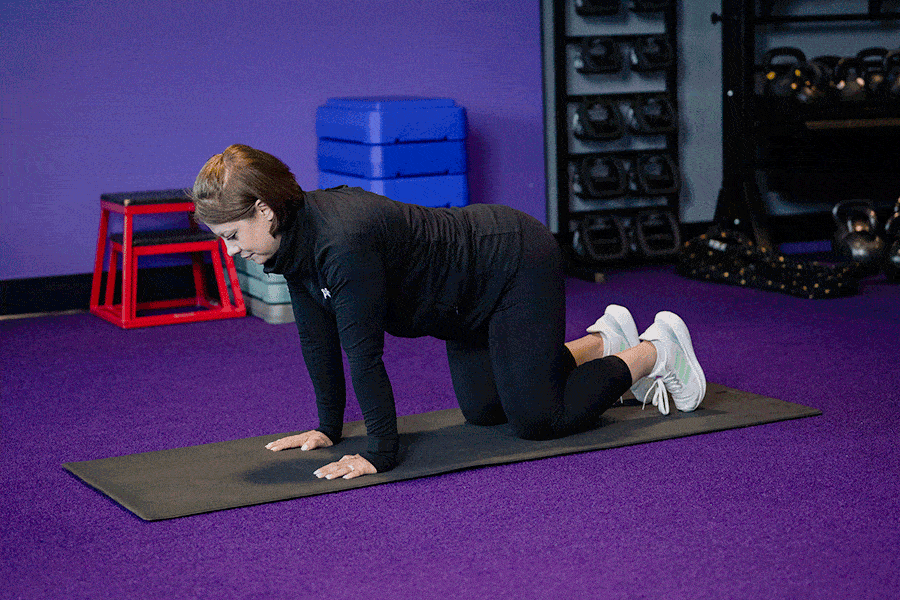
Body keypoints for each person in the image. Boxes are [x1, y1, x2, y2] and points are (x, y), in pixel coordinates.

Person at [190, 144, 706, 481]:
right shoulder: (290, 244)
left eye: (233, 236)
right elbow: (317, 340)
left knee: (538, 418)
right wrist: (327, 427)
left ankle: (655, 351)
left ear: (265, 210)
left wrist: (379, 452)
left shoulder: (341, 243)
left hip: (510, 261)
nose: (231, 251)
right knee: (485, 412)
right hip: (462, 303)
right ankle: (600, 341)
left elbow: (365, 356)